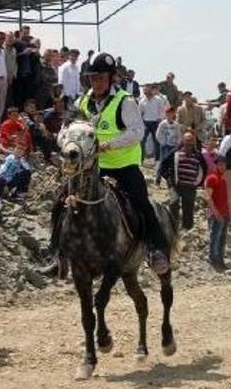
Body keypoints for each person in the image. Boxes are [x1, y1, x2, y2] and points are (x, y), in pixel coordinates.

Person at [53, 52, 171, 274]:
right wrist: (67, 145)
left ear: (111, 78)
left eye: (100, 78)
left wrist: (110, 144)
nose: (95, 83)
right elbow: (64, 131)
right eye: (92, 78)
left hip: (123, 166)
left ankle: (157, 250)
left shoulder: (125, 101)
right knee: (60, 201)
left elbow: (137, 132)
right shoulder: (82, 101)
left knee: (142, 204)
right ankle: (57, 254)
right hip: (92, 168)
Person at [204, 154, 230, 271]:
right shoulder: (211, 178)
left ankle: (220, 260)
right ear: (215, 165)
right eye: (219, 164)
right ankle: (213, 259)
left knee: (222, 238)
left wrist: (228, 212)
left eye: (223, 164)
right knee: (215, 237)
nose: (222, 166)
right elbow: (208, 197)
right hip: (216, 214)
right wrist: (216, 213)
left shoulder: (223, 179)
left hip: (225, 213)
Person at [139, 82, 168, 161]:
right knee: (142, 141)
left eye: (146, 90)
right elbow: (140, 113)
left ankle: (157, 159)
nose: (145, 92)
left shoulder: (158, 100)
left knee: (157, 142)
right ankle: (141, 159)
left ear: (151, 90)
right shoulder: (142, 101)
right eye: (144, 90)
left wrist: (160, 119)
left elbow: (162, 111)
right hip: (145, 123)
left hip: (155, 122)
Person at [155, 106, 181, 185]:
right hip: (165, 146)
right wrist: (163, 142)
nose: (170, 115)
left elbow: (178, 135)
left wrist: (177, 144)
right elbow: (158, 134)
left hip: (173, 146)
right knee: (162, 162)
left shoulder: (176, 125)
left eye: (171, 113)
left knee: (172, 164)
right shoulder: (163, 124)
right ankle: (158, 180)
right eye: (168, 113)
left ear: (174, 114)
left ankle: (170, 181)